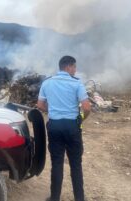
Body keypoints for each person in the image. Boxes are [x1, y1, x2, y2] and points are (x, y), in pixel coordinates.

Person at [37, 55, 91, 201]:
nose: (75, 70)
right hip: (72, 126)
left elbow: (40, 105)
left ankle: (54, 198)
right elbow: (86, 107)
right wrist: (81, 119)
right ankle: (79, 198)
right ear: (68, 67)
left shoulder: (47, 83)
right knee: (75, 164)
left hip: (55, 126)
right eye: (74, 67)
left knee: (57, 163)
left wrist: (53, 111)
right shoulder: (77, 83)